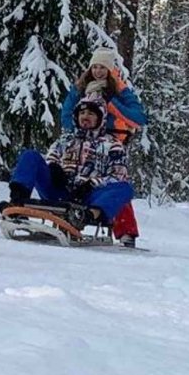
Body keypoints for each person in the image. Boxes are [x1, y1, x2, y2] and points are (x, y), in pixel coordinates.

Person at [1, 97, 136, 243]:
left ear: (100, 118)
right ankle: (17, 201)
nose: (85, 116)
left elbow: (118, 174)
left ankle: (87, 216)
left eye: (91, 114)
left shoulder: (113, 144)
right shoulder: (65, 140)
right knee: (30, 156)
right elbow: (51, 157)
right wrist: (53, 168)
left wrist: (91, 184)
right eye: (82, 113)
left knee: (124, 188)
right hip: (59, 190)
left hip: (88, 198)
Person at [61, 47, 146, 245]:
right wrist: (76, 129)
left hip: (110, 140)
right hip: (82, 139)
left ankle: (124, 229)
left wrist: (112, 106)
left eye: (103, 67)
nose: (98, 71)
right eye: (95, 67)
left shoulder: (119, 90)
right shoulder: (81, 87)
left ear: (110, 70)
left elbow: (138, 118)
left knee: (115, 180)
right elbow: (66, 113)